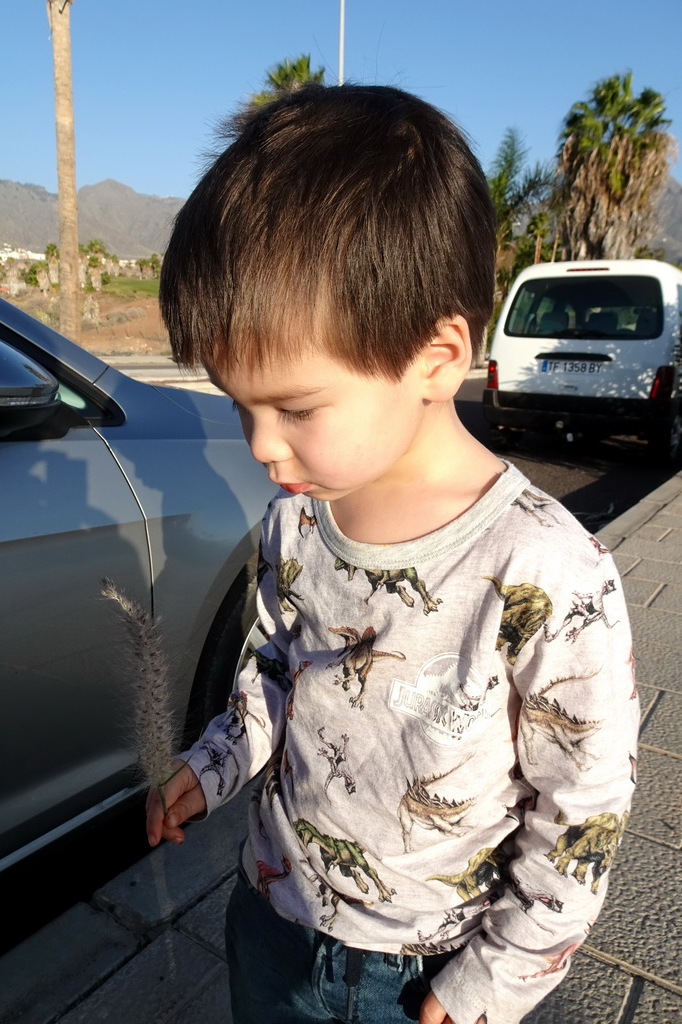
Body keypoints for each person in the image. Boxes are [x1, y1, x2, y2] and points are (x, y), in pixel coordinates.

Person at [146, 85, 638, 1024]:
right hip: (273, 916)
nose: (259, 445)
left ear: (437, 356)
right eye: (237, 404)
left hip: (427, 975)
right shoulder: (298, 520)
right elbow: (274, 677)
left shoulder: (543, 570)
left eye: (294, 408)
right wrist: (211, 768)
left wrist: (490, 983)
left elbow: (583, 808)